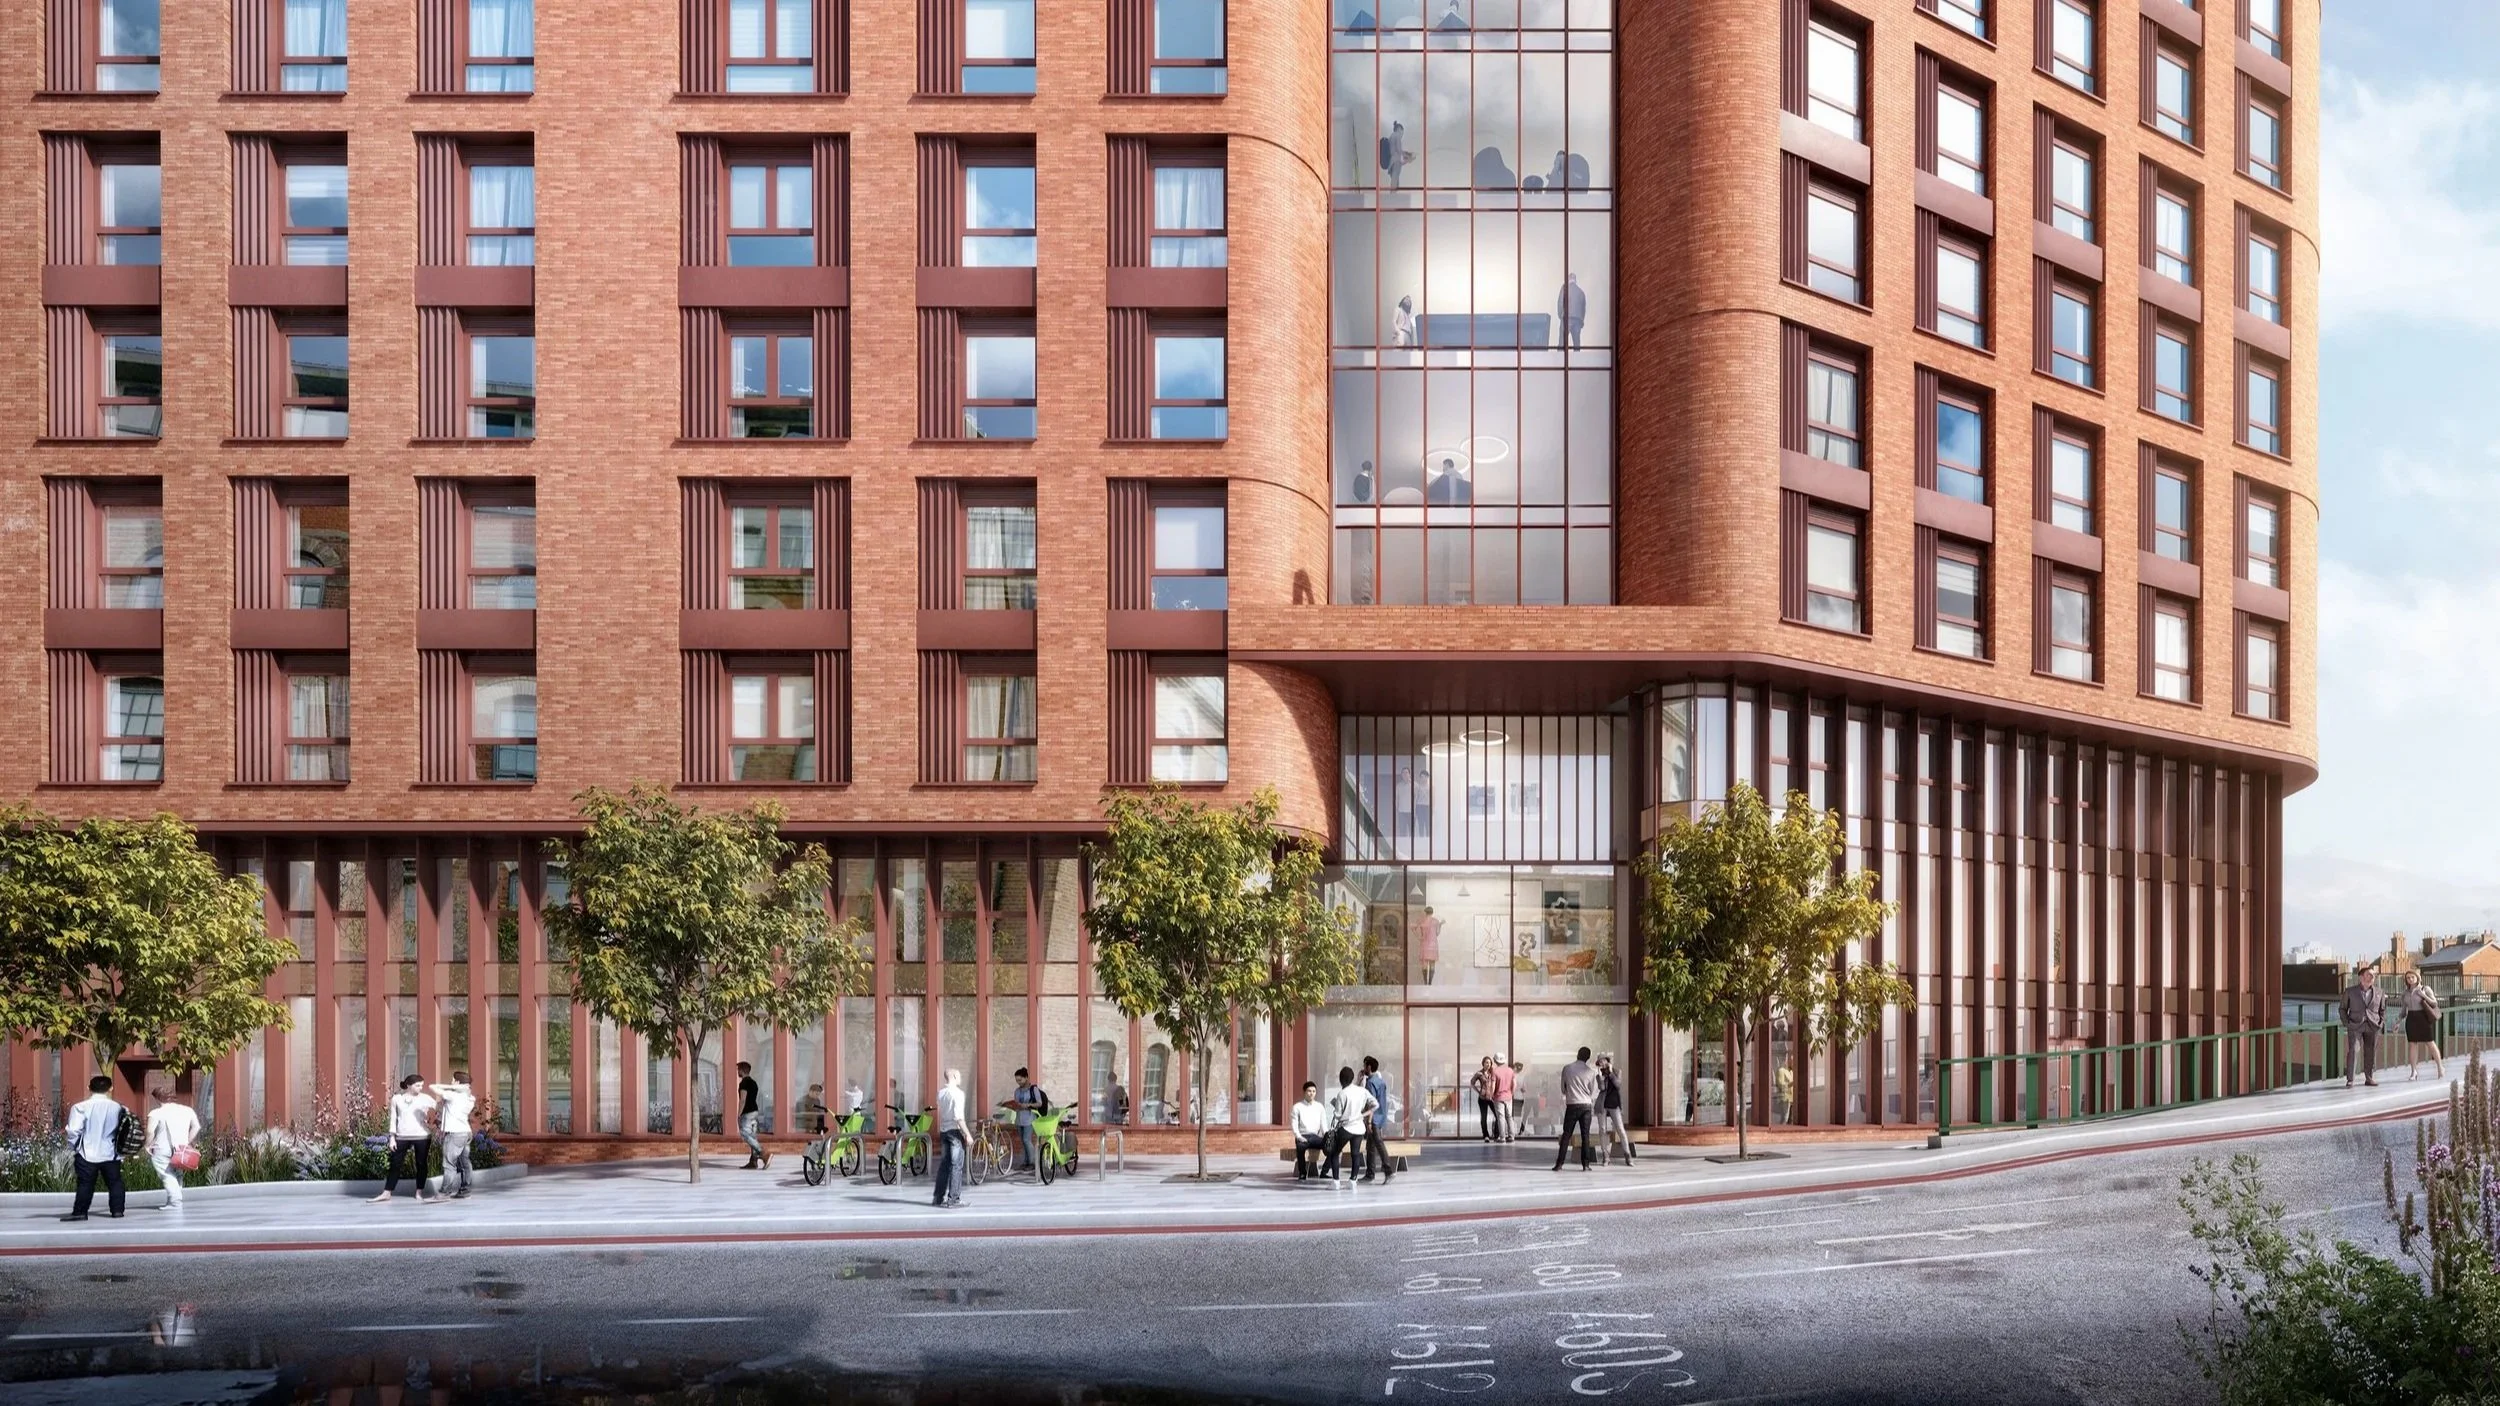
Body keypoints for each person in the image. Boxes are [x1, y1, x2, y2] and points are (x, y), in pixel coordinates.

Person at [60, 1075, 131, 1222]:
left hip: (87, 1151)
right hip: (111, 1152)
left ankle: (80, 1212)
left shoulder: (80, 1107)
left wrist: (74, 1146)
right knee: (115, 1182)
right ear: (110, 1088)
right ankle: (117, 1211)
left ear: (89, 1088)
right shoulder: (120, 1108)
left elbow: (73, 1130)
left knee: (85, 1183)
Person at [374, 1074, 438, 1204]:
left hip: (422, 1136)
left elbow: (441, 1109)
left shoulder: (426, 1098)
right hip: (401, 1136)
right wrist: (392, 1137)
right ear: (409, 1085)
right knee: (395, 1164)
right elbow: (393, 1119)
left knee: (421, 1164)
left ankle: (419, 1191)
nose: (420, 1088)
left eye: (421, 1085)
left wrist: (436, 1124)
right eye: (417, 1085)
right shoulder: (397, 1099)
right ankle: (387, 1192)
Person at [144, 1084, 201, 1210]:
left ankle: (175, 1202)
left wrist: (147, 1145)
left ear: (158, 1098)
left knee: (167, 1174)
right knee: (178, 1174)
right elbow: (196, 1127)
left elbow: (150, 1131)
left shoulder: (156, 1113)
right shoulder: (187, 1110)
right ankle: (173, 1200)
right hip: (181, 1149)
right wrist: (187, 1141)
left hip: (161, 1148)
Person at [429, 1070, 480, 1199]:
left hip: (455, 1134)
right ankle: (465, 1190)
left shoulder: (453, 1096)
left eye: (453, 1080)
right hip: (465, 1132)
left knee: (449, 1163)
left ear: (457, 1083)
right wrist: (461, 1087)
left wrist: (452, 1087)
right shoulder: (469, 1097)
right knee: (464, 1163)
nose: (451, 1082)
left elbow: (432, 1087)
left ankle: (445, 1192)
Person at [1323, 1066, 1377, 1181]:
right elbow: (1375, 1105)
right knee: (1355, 1154)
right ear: (1352, 1078)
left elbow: (1338, 1115)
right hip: (1359, 1128)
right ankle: (1353, 1180)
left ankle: (1336, 1181)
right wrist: (1364, 1114)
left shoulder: (1342, 1093)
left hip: (1346, 1128)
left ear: (1341, 1079)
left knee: (1334, 1153)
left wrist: (1335, 1104)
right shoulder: (1362, 1091)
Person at [2339, 962, 2385, 1088]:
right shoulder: (2350, 991)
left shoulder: (2379, 992)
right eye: (2369, 975)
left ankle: (2369, 1078)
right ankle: (2350, 1079)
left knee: (2370, 1052)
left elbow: (2382, 1010)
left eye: (2373, 975)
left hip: (2373, 1025)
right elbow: (2342, 1009)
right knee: (2354, 1050)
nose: (2371, 977)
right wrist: (2347, 1023)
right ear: (2361, 977)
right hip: (2355, 1025)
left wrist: (2381, 1022)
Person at [1554, 1046, 1598, 1172]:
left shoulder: (1567, 1068)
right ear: (1588, 1058)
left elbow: (1563, 1089)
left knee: (1566, 1135)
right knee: (1585, 1136)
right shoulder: (1590, 1072)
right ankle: (1586, 1164)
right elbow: (1592, 1092)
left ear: (1577, 1054)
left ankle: (1559, 1164)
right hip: (1586, 1105)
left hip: (1572, 1104)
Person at [932, 1068, 968, 1207]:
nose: (961, 1078)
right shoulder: (958, 1093)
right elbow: (958, 1117)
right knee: (956, 1166)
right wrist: (967, 1134)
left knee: (944, 1166)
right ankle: (954, 1199)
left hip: (944, 1131)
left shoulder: (940, 1093)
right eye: (959, 1075)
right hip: (954, 1131)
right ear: (953, 1076)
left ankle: (938, 1198)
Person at [1002, 1067, 1049, 1173]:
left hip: (1030, 1118)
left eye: (1020, 1080)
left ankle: (1032, 1162)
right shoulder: (1017, 1091)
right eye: (1017, 1080)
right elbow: (1016, 1103)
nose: (1018, 1082)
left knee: (1027, 1140)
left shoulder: (1033, 1090)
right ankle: (1025, 1162)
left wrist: (1027, 1105)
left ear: (1026, 1078)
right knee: (1023, 1141)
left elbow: (1039, 1103)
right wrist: (1011, 1105)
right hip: (1019, 1118)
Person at [2401, 970, 2445, 1081]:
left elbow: (2434, 1003)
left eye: (2412, 977)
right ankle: (2413, 1071)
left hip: (2423, 1018)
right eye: (2408, 978)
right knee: (2412, 1044)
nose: (2410, 979)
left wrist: (2423, 995)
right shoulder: (2405, 993)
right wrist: (2397, 1022)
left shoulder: (2425, 989)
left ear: (2417, 977)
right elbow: (2403, 1011)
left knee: (2430, 1043)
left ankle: (2440, 1067)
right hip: (2411, 1019)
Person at [1595, 1054, 1636, 1165]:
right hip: (1602, 1104)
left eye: (1603, 1061)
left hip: (1614, 1103)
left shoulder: (1617, 1071)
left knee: (1620, 1129)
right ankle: (1605, 1156)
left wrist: (1610, 1072)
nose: (1601, 1063)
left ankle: (1628, 1156)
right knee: (1602, 1129)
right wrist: (1601, 1078)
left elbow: (1618, 1085)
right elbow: (1602, 1088)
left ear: (1607, 1061)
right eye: (1599, 1062)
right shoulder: (1599, 1075)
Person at [1359, 1056, 1393, 1183]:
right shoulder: (1381, 1081)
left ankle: (1388, 1171)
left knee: (1378, 1143)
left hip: (1373, 1119)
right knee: (1371, 1146)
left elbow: (1371, 1103)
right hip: (1381, 1116)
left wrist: (1368, 1121)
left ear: (1368, 1067)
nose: (1363, 1068)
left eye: (1364, 1066)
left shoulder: (1370, 1082)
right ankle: (1370, 1173)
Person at [1290, 1082, 1332, 1180]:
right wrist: (1299, 1136)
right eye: (1309, 1091)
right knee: (1300, 1147)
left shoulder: (1319, 1107)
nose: (1311, 1093)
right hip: (1303, 1135)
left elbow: (1324, 1125)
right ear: (1304, 1092)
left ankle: (1324, 1172)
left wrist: (1327, 1137)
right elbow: (1294, 1124)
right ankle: (1302, 1173)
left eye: (1313, 1091)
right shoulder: (1297, 1107)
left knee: (1333, 1147)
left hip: (1315, 1137)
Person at [735, 1061, 768, 1170]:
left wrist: (739, 1114)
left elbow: (743, 1099)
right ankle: (753, 1162)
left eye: (738, 1069)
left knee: (745, 1134)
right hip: (755, 1111)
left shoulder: (744, 1083)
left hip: (747, 1112)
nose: (737, 1072)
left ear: (742, 1070)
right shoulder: (754, 1083)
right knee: (753, 1136)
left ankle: (763, 1153)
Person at [1470, 1056, 1499, 1141]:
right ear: (1483, 1063)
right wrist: (1478, 1092)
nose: (1488, 1064)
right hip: (1482, 1098)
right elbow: (1472, 1083)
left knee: (1497, 1115)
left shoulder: (1493, 1073)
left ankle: (1496, 1135)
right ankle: (1486, 1135)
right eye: (1486, 1062)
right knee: (1484, 1117)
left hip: (1491, 1098)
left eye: (1490, 1063)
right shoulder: (1479, 1073)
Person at [1378, 121, 1414, 189]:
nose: (1402, 136)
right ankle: (1393, 197)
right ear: (1399, 129)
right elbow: (1399, 150)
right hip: (1395, 162)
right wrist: (1409, 155)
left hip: (1391, 163)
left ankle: (1393, 196)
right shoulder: (1396, 135)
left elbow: (1397, 155)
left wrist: (1408, 159)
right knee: (1395, 182)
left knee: (1395, 182)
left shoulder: (1391, 136)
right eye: (1402, 133)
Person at [1490, 1054, 1517, 1142]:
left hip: (1498, 1097)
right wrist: (1511, 1093)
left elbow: (1493, 1086)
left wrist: (1491, 1095)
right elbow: (1514, 1084)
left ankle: (1502, 1137)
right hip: (1509, 1097)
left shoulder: (1495, 1071)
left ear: (1495, 1061)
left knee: (1501, 1117)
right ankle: (1511, 1136)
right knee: (1509, 1116)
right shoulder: (1510, 1070)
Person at [1557, 273, 1586, 350]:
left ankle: (1560, 359)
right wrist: (1581, 320)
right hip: (1578, 320)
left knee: (1562, 341)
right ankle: (1577, 360)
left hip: (1566, 317)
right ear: (1575, 280)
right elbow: (1583, 309)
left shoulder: (1564, 288)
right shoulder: (1581, 292)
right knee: (1576, 343)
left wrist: (1560, 315)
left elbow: (1560, 302)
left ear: (1568, 279)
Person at [1507, 1057, 1528, 1138]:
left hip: (1511, 1097)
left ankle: (1512, 1130)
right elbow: (1524, 1089)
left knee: (1510, 1115)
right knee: (1518, 1115)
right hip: (1519, 1097)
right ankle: (1519, 1130)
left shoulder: (1511, 1076)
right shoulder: (1522, 1077)